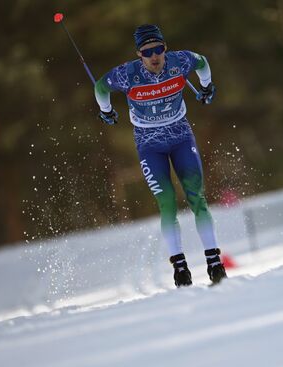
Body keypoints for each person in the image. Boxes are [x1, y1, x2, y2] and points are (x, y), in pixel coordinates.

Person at [94, 24, 227, 286]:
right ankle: (180, 269)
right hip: (149, 143)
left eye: (158, 49)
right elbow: (100, 86)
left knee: (196, 198)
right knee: (166, 203)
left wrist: (207, 84)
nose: (154, 57)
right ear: (139, 54)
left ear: (165, 48)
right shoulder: (126, 74)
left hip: (180, 136)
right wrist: (106, 110)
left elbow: (202, 61)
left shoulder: (179, 61)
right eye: (147, 52)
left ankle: (215, 263)